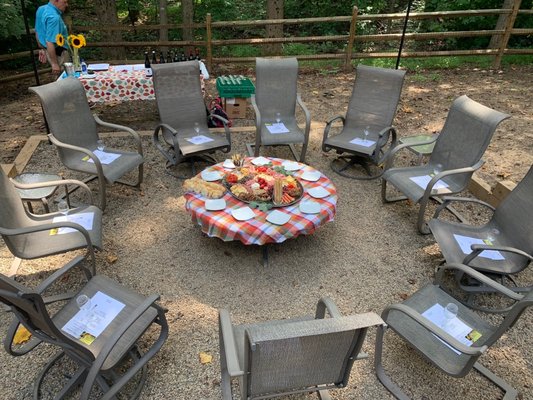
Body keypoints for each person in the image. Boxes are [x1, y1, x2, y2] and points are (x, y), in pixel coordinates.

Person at [35, 0, 69, 76]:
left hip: (48, 51)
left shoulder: (41, 9)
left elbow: (38, 30)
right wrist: (55, 64)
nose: (67, 5)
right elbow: (50, 41)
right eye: (65, 2)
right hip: (58, 53)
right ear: (56, 1)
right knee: (64, 79)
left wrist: (41, 47)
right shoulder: (54, 18)